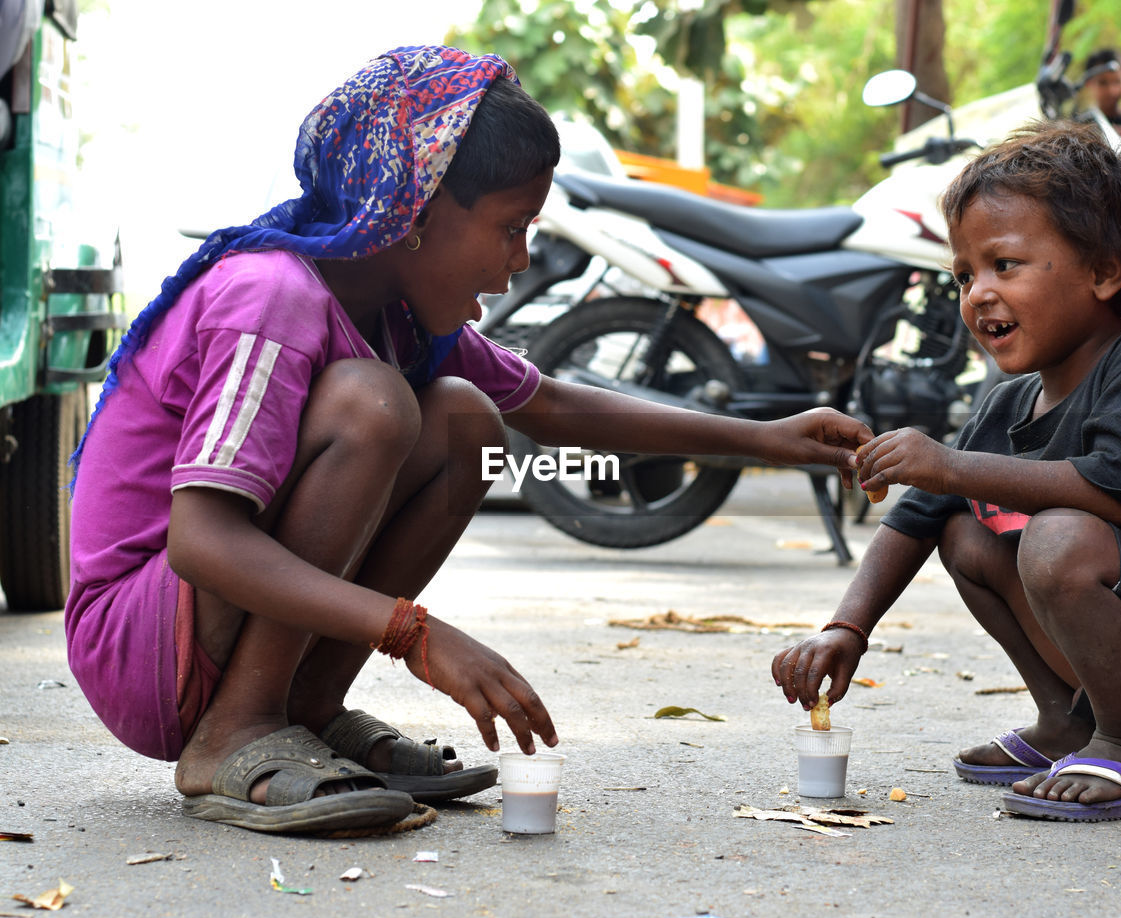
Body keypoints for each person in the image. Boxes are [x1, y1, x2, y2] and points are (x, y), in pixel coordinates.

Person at [66, 45, 874, 835]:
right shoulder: (270, 297)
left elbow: (552, 406)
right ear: (414, 215)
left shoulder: (394, 307)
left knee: (467, 422)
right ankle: (235, 731)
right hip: (141, 646)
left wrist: (769, 439)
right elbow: (202, 542)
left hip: (194, 625)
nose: (522, 259)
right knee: (376, 404)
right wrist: (414, 633)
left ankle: (303, 711)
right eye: (511, 227)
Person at [771, 121, 1121, 822]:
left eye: (1005, 265)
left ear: (1104, 271)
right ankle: (1068, 721)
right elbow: (913, 518)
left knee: (1059, 537)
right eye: (966, 274)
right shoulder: (1007, 402)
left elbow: (1116, 492)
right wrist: (846, 628)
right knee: (962, 535)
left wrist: (949, 464)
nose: (977, 294)